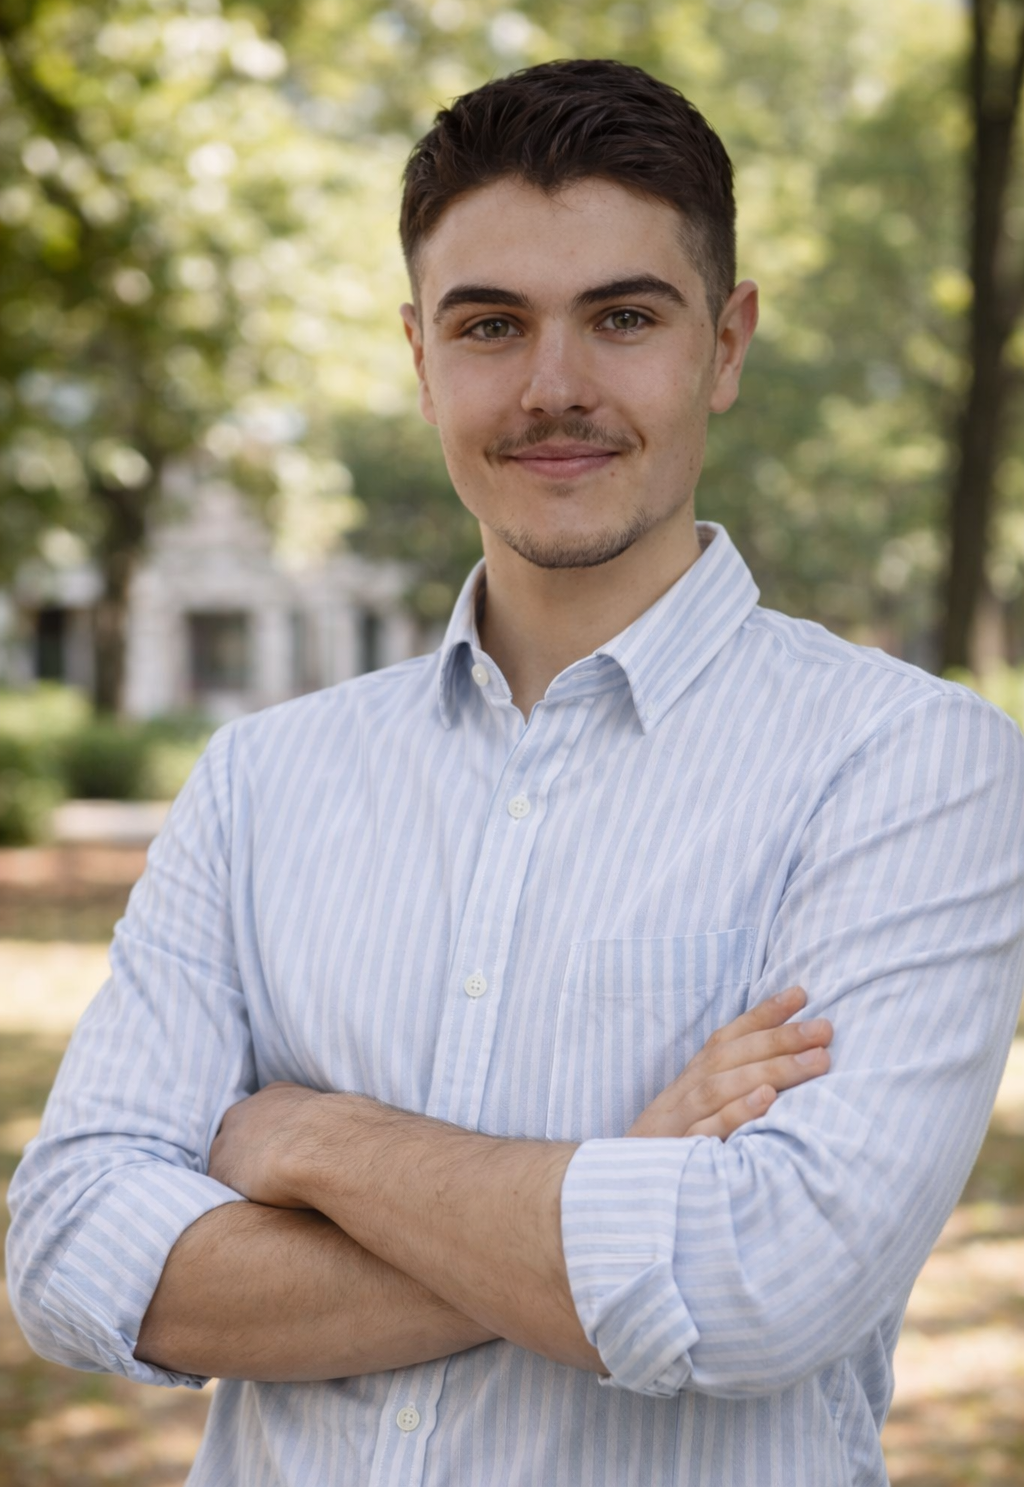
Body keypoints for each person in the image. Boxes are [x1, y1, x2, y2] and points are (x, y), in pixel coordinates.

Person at [8, 57, 1024, 1487]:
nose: (556, 387)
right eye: (492, 324)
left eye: (623, 316)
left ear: (727, 345)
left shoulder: (914, 769)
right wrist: (622, 1172)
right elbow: (72, 1255)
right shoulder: (261, 783)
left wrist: (307, 1135)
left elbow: (759, 1284)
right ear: (421, 355)